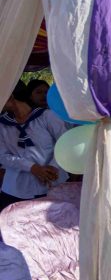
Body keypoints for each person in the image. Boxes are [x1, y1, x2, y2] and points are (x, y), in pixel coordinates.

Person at [0, 81, 68, 210]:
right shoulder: (3, 124)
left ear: (10, 96)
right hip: (15, 188)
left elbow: (65, 142)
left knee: (50, 227)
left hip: (51, 182)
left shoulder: (46, 116)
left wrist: (53, 167)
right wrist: (32, 167)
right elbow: (2, 155)